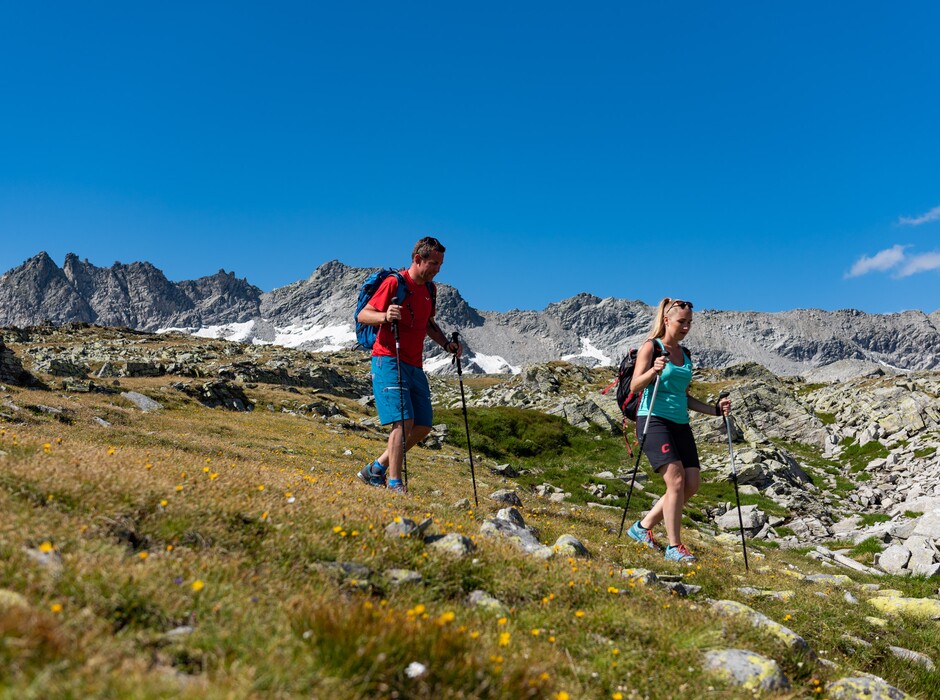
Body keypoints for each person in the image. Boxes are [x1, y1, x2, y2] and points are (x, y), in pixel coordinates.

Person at [625, 298, 731, 562]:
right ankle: (674, 547)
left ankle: (642, 528)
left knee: (691, 485)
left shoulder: (686, 355)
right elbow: (635, 386)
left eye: (689, 323)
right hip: (653, 420)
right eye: (682, 322)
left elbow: (685, 397)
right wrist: (653, 371)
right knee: (675, 481)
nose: (686, 327)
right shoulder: (652, 347)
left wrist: (715, 410)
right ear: (667, 320)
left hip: (680, 423)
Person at [356, 236, 461, 494]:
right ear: (418, 259)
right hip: (389, 359)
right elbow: (363, 315)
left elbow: (427, 324)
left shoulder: (430, 290)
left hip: (414, 364)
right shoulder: (395, 283)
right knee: (403, 421)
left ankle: (376, 469)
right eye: (434, 263)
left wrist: (447, 344)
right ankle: (394, 483)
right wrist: (384, 315)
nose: (438, 269)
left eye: (440, 264)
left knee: (423, 424)